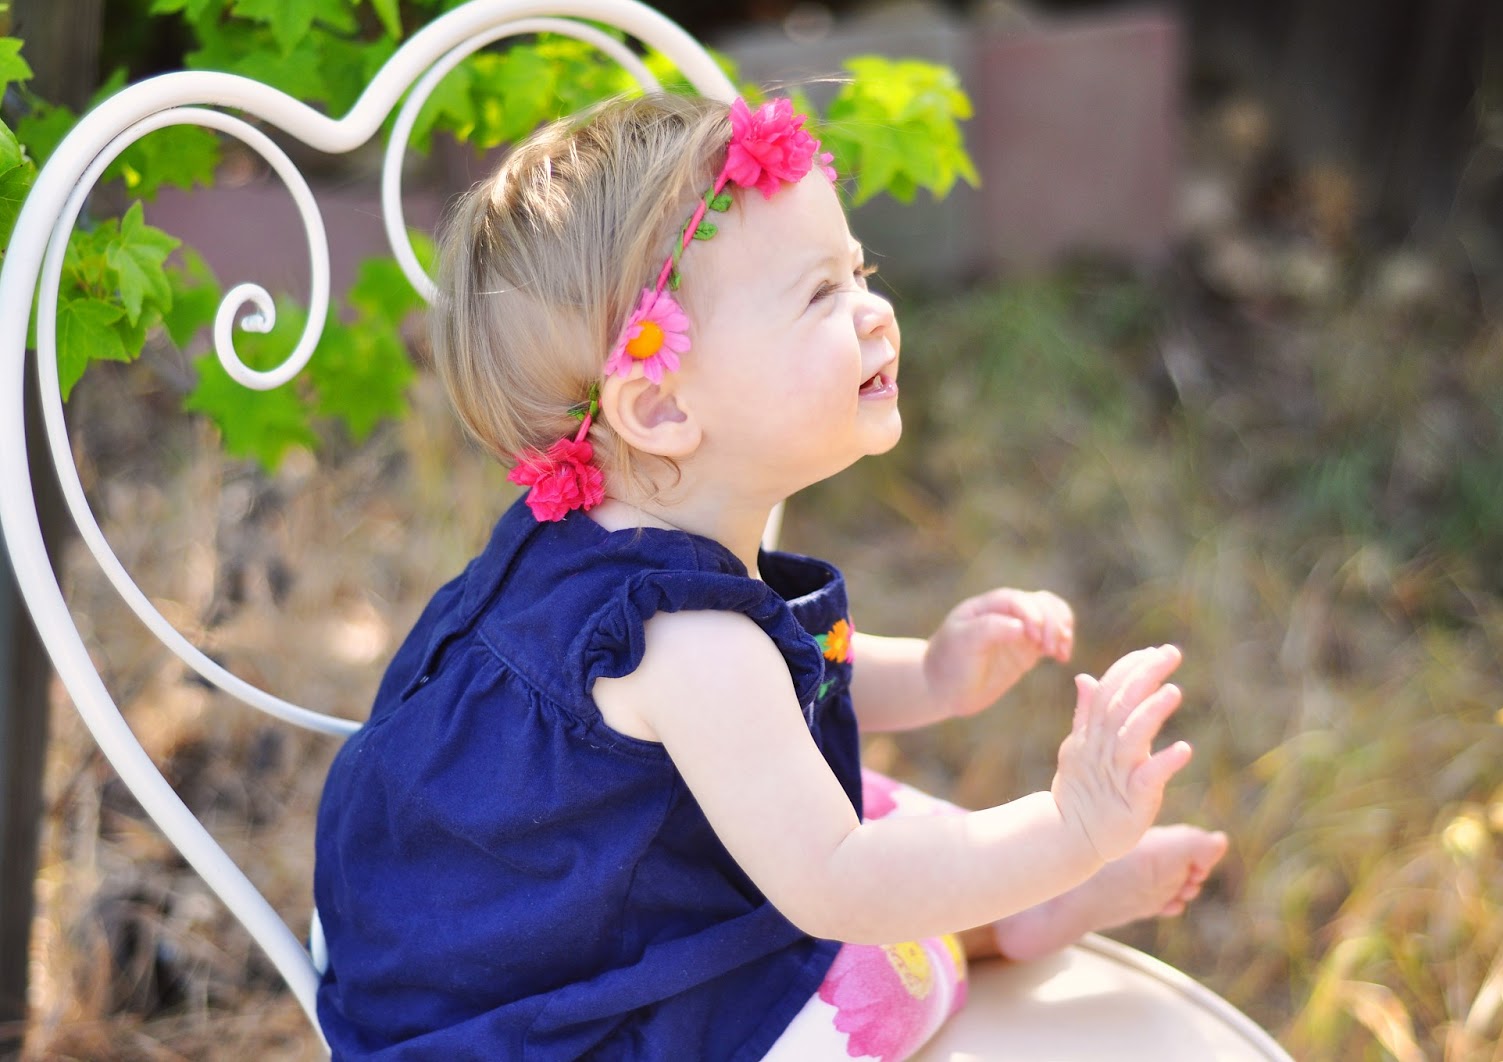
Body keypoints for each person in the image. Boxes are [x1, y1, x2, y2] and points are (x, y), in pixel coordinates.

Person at [313, 92, 1228, 1061]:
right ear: (661, 408)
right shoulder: (683, 643)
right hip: (536, 1009)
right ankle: (1001, 914)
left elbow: (773, 681)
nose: (875, 310)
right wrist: (1069, 827)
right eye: (819, 296)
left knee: (866, 804)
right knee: (875, 961)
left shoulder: (605, 535)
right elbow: (839, 880)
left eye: (858, 272)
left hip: (483, 921)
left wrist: (930, 675)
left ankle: (1011, 907)